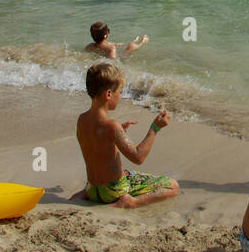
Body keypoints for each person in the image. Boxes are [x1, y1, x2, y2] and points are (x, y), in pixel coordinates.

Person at [74, 63, 179, 208]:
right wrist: (155, 128)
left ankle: (87, 192)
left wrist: (116, 135)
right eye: (120, 92)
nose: (120, 97)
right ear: (109, 94)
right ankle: (131, 202)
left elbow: (97, 149)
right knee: (172, 186)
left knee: (127, 173)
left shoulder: (82, 120)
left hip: (93, 190)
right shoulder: (111, 125)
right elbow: (138, 156)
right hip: (114, 191)